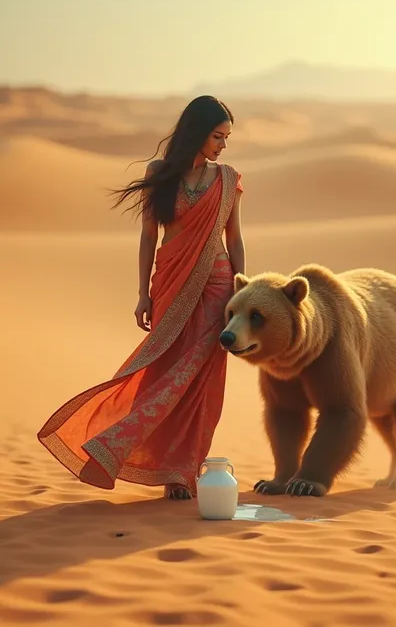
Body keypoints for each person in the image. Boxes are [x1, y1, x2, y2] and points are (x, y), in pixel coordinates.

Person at [37, 95, 246, 500]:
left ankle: (182, 473)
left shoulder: (227, 178)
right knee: (160, 370)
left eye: (227, 138)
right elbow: (149, 235)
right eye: (218, 136)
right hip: (169, 283)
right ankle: (113, 445)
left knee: (199, 381)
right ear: (196, 133)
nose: (223, 145)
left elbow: (234, 238)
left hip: (219, 286)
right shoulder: (160, 174)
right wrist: (141, 295)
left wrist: (242, 289)